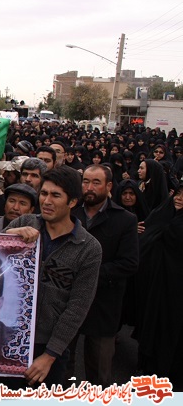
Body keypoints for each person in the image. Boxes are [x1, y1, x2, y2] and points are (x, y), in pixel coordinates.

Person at [4, 166, 102, 387]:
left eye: (56, 195)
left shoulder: (88, 248)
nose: (46, 201)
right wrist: (8, 236)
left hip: (48, 346)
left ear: (72, 202)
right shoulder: (23, 223)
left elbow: (77, 307)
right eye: (44, 193)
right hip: (6, 335)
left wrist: (50, 355)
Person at [66, 165, 138, 387]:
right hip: (67, 300)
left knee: (99, 371)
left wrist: (90, 274)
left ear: (109, 186)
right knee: (63, 363)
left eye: (96, 182)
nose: (89, 187)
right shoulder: (70, 213)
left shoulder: (125, 219)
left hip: (103, 303)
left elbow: (129, 263)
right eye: (86, 181)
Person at [134, 184, 183, 391]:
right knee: (154, 324)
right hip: (156, 284)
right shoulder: (163, 213)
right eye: (178, 193)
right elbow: (147, 234)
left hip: (176, 290)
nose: (179, 198)